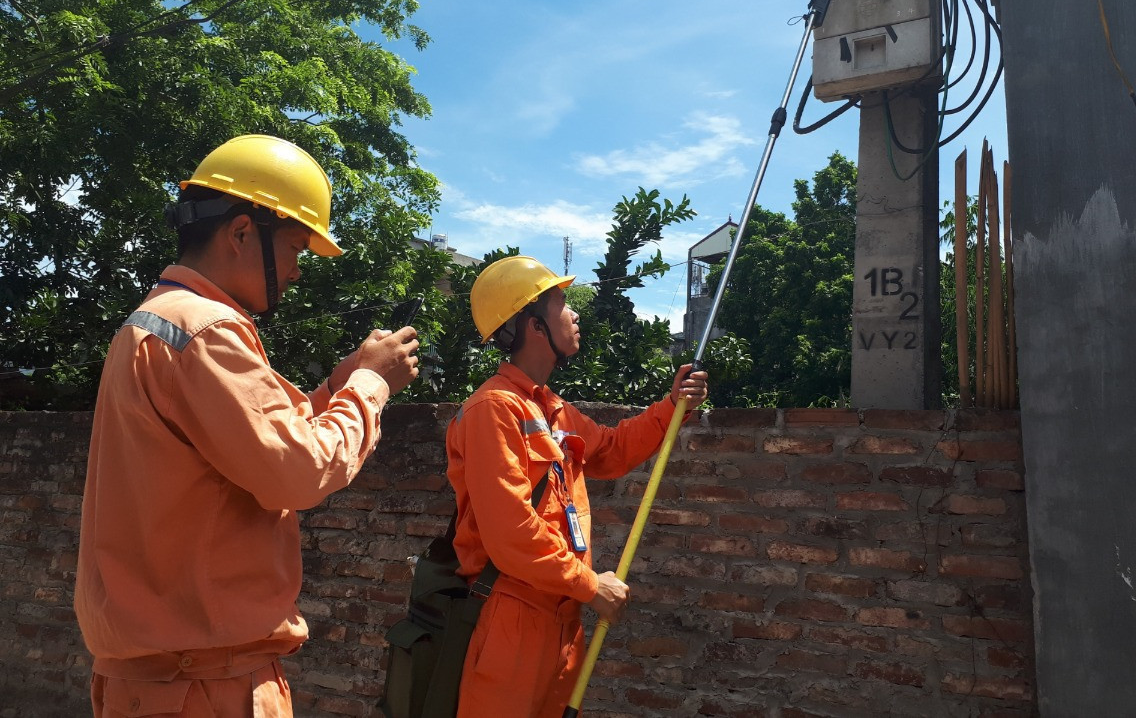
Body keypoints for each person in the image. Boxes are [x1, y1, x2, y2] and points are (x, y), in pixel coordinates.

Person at [74, 134, 421, 718]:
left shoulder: (158, 323)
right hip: (203, 686)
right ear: (240, 233)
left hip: (160, 680)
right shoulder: (206, 331)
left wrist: (337, 387)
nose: (297, 272)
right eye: (294, 248)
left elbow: (248, 448)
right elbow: (298, 470)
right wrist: (373, 385)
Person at [446, 255, 708, 718]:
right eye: (563, 303)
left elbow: (611, 449)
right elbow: (510, 533)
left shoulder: (552, 411)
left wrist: (672, 406)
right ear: (534, 326)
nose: (575, 313)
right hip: (514, 611)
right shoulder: (494, 409)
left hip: (562, 616)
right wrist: (589, 584)